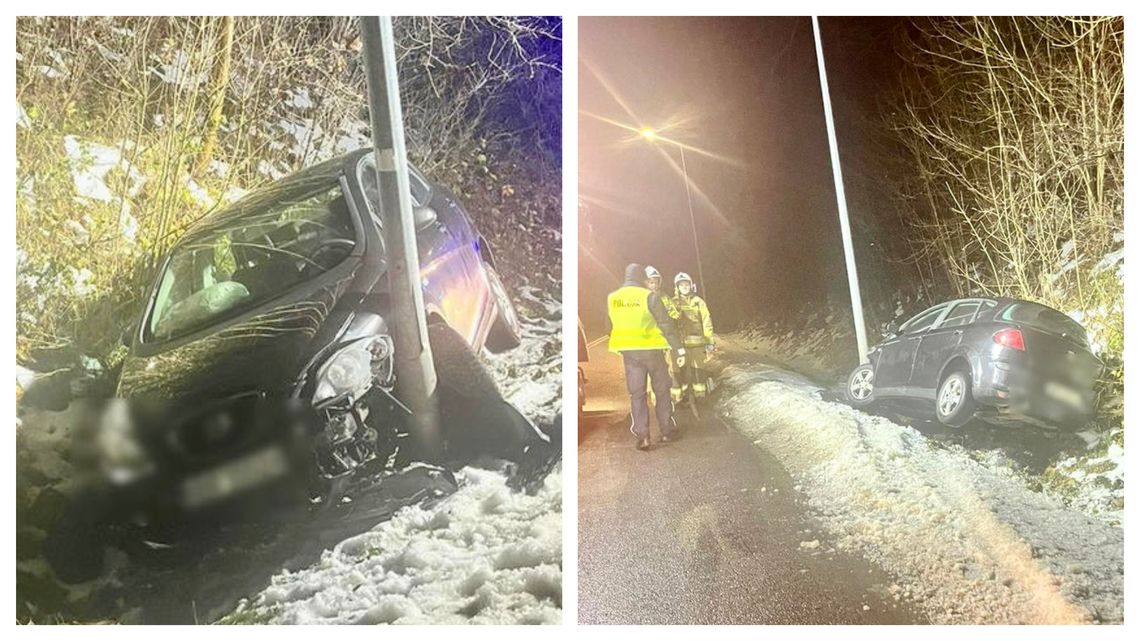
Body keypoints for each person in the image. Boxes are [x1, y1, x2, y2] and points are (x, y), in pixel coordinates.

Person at [607, 263, 686, 450]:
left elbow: (608, 326)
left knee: (637, 394)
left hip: (630, 354)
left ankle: (643, 436)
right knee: (662, 390)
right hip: (652, 351)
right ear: (642, 279)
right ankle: (666, 431)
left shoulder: (613, 298)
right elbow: (666, 324)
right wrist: (678, 349)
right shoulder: (649, 296)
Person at [669, 272, 716, 404]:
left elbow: (707, 322)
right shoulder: (673, 303)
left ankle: (700, 396)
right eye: (681, 284)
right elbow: (668, 324)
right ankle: (679, 398)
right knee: (678, 372)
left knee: (698, 372)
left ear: (691, 285)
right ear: (677, 287)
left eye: (686, 284)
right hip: (679, 346)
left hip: (697, 346)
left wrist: (710, 343)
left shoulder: (698, 302)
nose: (684, 287)